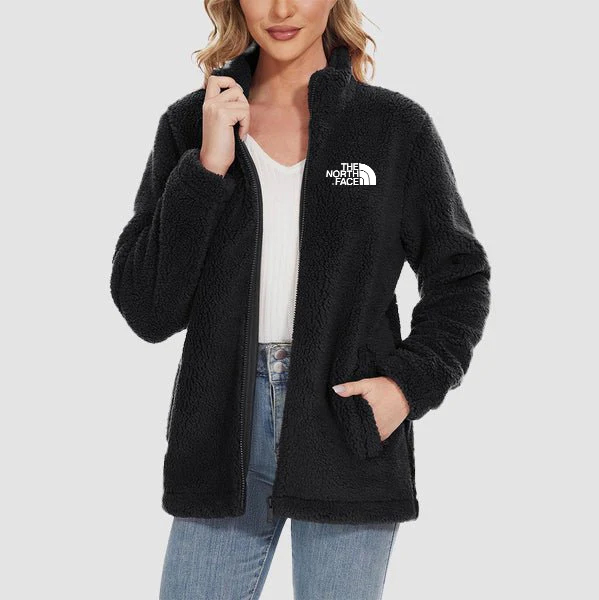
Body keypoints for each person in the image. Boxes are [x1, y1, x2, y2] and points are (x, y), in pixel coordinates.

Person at [109, 0, 491, 597]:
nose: (282, 9)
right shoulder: (192, 124)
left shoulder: (393, 127)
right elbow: (147, 308)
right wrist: (207, 168)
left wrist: (407, 386)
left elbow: (460, 276)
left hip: (346, 427)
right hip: (221, 436)